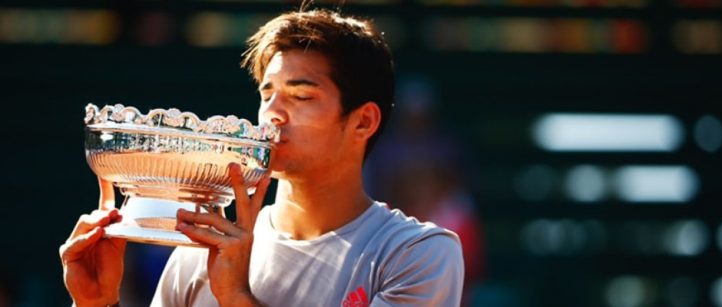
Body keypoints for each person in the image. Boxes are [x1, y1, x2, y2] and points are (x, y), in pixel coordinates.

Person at [59, 9, 464, 307]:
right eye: (267, 94)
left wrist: (236, 296)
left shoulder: (417, 254)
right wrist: (98, 303)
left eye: (301, 95)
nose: (273, 112)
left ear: (363, 121)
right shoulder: (200, 252)